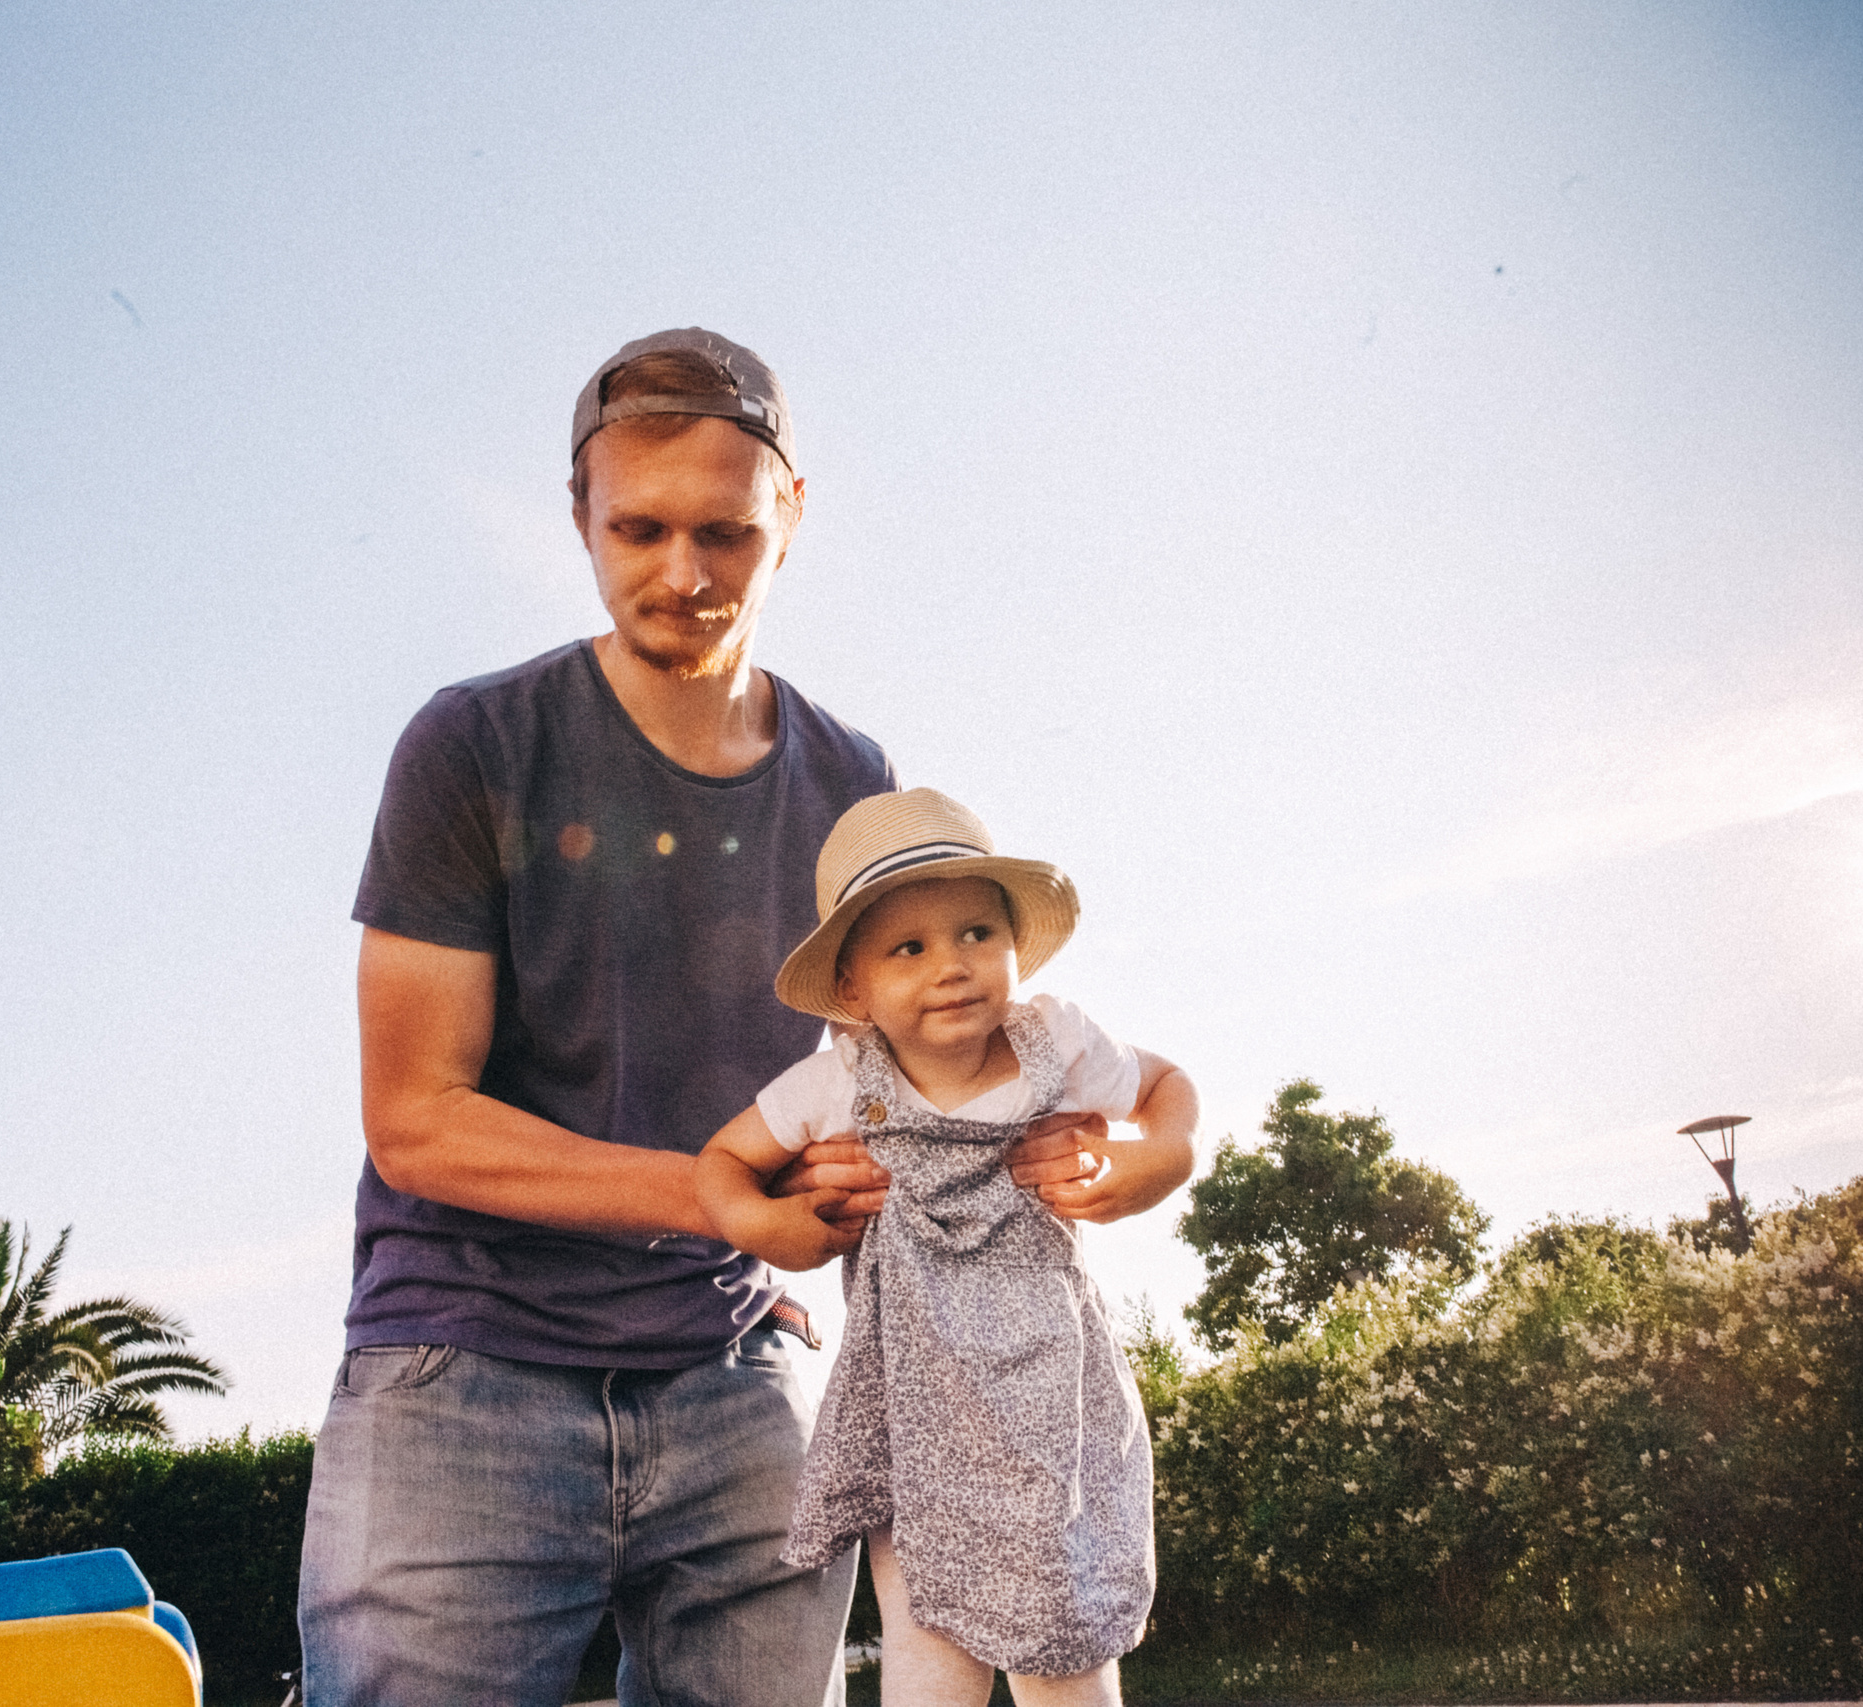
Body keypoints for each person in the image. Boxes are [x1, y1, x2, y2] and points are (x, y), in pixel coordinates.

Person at [297, 331, 1115, 1707]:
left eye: (725, 532)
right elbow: (418, 1122)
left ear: (789, 516)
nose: (683, 572)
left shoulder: (855, 786)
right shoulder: (474, 747)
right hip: (464, 1372)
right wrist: (723, 1196)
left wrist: (1030, 1134)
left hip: (738, 1383)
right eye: (640, 529)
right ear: (579, 516)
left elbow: (904, 1076)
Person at [696, 788, 1200, 1707]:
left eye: (976, 932)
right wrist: (772, 1228)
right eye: (909, 947)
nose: (952, 965)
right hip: (915, 1413)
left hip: (1051, 1407)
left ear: (1013, 941)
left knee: (1066, 1650)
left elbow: (1169, 1087)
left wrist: (1157, 1160)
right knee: (930, 1659)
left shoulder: (1054, 1043)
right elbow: (722, 1163)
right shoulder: (841, 1082)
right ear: (854, 989)